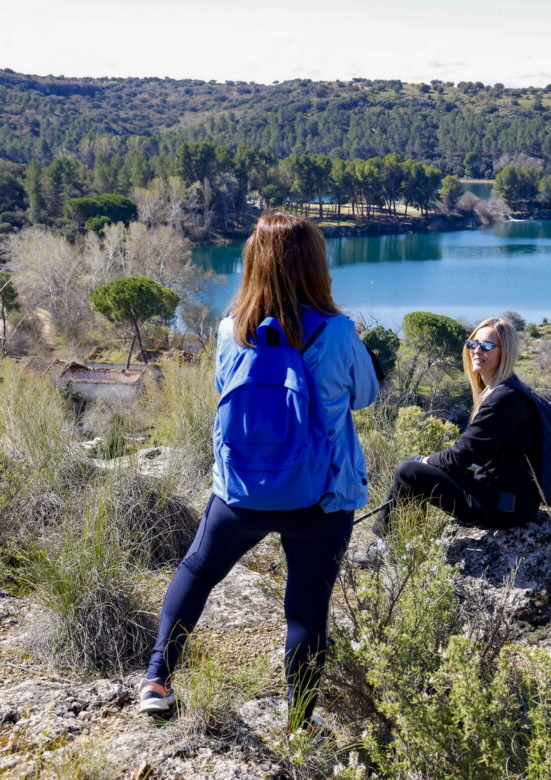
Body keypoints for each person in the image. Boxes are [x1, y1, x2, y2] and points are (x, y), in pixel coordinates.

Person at [139, 212, 379, 726]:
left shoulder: (230, 331)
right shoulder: (337, 333)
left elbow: (224, 396)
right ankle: (297, 725)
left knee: (198, 572)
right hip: (321, 497)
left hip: (240, 493)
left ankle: (157, 678)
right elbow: (365, 396)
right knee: (306, 613)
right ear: (315, 266)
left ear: (252, 263)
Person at [353, 317, 539, 566]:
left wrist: (424, 460)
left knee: (409, 472)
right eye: (473, 344)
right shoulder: (509, 390)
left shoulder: (504, 399)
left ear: (505, 352)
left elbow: (461, 457)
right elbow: (475, 456)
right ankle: (406, 544)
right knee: (418, 471)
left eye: (486, 346)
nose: (476, 351)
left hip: (505, 507)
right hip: (508, 498)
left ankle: (386, 550)